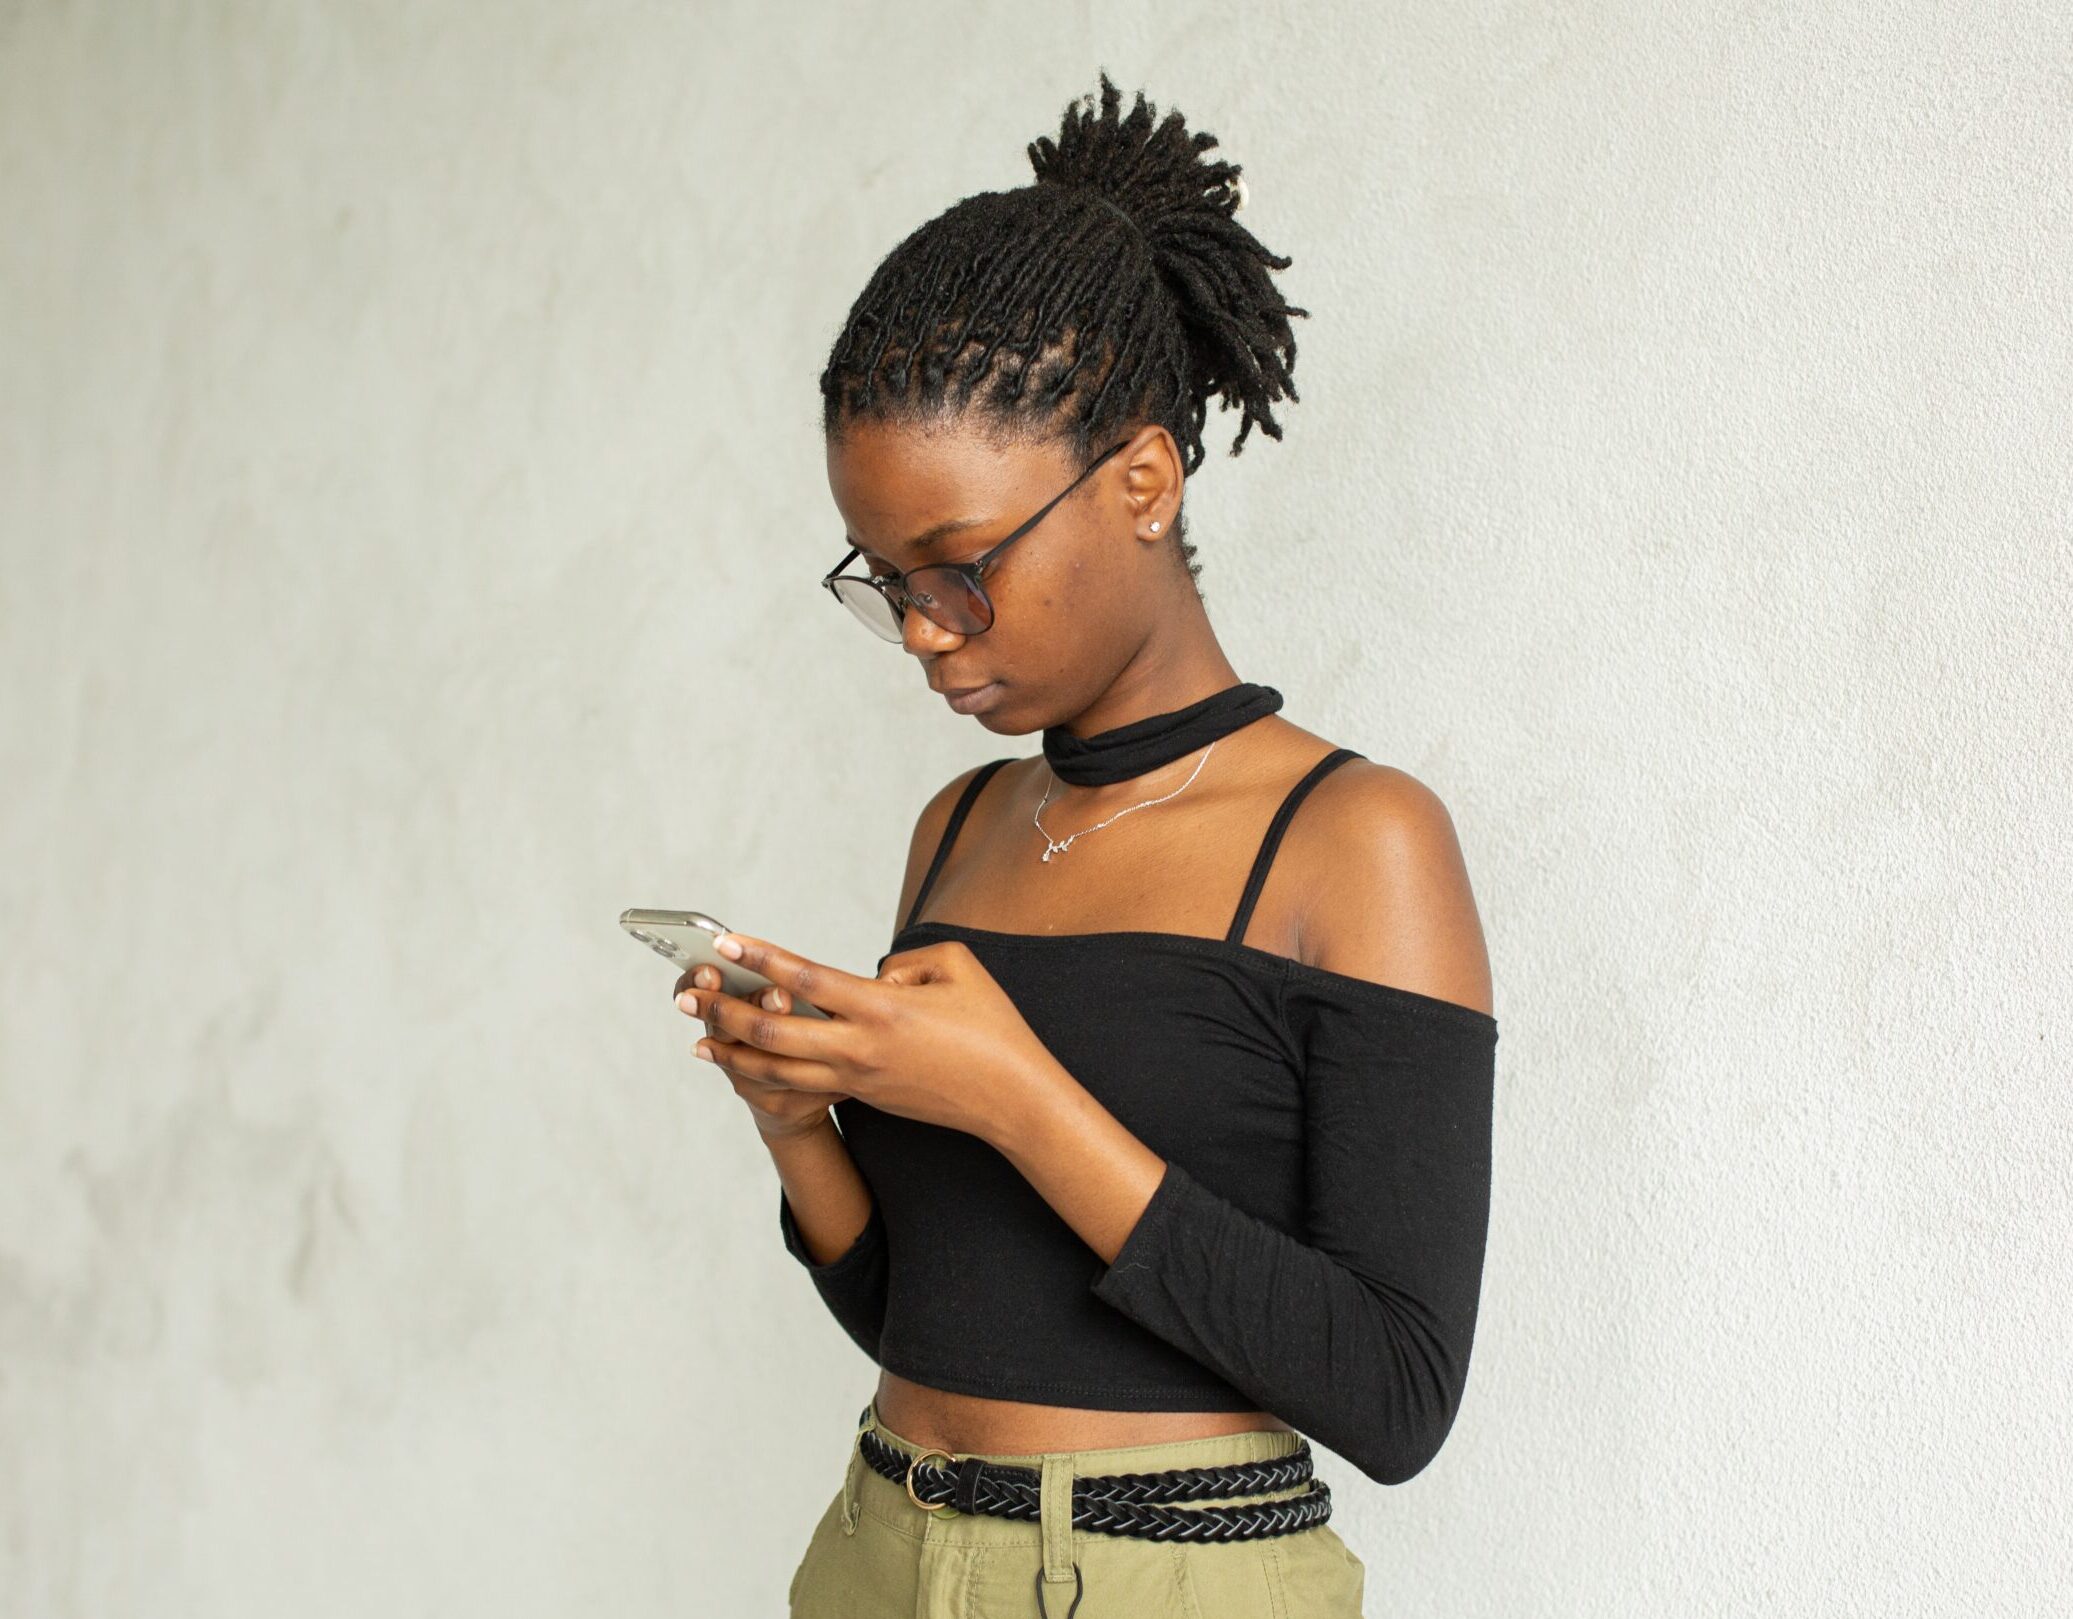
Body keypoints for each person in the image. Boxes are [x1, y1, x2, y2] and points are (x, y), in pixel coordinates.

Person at [674, 71, 1497, 1619]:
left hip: (1159, 1578)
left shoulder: (1353, 839)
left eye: (959, 566)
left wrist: (1010, 1095)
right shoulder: (959, 827)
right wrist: (796, 1122)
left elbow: (1396, 1394)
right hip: (878, 1547)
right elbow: (927, 1321)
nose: (925, 630)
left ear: (1141, 482)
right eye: (885, 579)